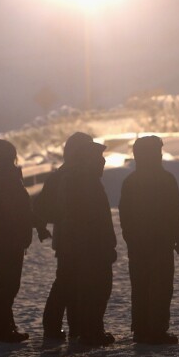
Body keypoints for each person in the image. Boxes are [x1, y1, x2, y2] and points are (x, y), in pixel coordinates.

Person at [0, 139, 45, 343]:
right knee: (9, 285)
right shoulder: (11, 181)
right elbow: (22, 210)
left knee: (3, 284)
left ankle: (5, 328)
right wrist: (38, 225)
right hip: (11, 241)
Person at [119, 135, 179, 345]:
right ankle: (157, 329)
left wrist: (130, 237)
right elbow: (176, 210)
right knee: (161, 286)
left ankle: (140, 328)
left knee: (140, 285)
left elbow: (125, 214)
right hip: (161, 242)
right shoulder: (166, 179)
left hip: (138, 244)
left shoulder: (131, 181)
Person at [34, 131, 93, 340]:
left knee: (68, 282)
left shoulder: (60, 174)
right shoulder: (73, 175)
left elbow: (40, 206)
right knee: (68, 283)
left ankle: (63, 325)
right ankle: (56, 325)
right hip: (71, 238)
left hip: (65, 238)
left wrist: (42, 227)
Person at [62, 136, 117, 346]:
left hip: (89, 247)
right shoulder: (87, 183)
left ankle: (91, 329)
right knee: (96, 289)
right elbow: (93, 219)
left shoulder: (82, 181)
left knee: (93, 289)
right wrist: (104, 244)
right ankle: (91, 331)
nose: (102, 161)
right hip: (92, 248)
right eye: (99, 157)